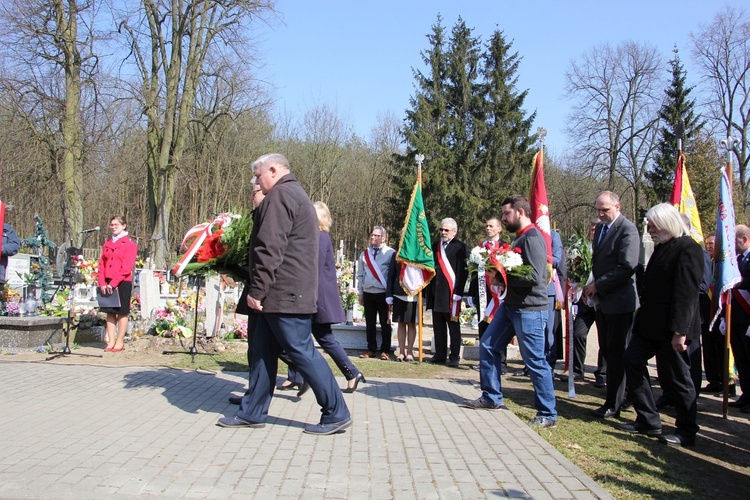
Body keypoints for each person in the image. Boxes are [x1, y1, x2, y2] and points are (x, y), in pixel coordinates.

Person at [217, 153, 351, 435]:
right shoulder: (295, 194)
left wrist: (257, 289)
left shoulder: (280, 196)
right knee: (263, 352)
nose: (256, 181)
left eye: (258, 175)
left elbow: (270, 248)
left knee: (302, 353)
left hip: (284, 294)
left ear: (274, 170)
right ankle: (252, 411)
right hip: (283, 294)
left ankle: (336, 412)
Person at [462, 195, 557, 429]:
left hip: (530, 310)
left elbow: (537, 277)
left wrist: (503, 276)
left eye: (506, 214)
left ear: (521, 213)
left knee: (535, 360)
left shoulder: (532, 239)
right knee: (487, 345)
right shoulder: (519, 239)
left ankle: (547, 413)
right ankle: (491, 397)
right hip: (512, 306)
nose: (504, 219)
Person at [618, 203, 702, 446]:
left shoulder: (688, 248)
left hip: (673, 328)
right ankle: (648, 419)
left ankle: (686, 430)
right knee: (631, 360)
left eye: (653, 226)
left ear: (666, 223)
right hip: (650, 325)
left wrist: (680, 331)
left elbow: (686, 294)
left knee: (678, 379)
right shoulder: (662, 247)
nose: (650, 230)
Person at [286, 202, 366, 393]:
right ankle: (297, 376)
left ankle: (351, 372)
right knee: (301, 336)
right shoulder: (314, 237)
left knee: (323, 338)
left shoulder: (320, 238)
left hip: (317, 298)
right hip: (314, 296)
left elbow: (314, 268)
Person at [583, 191, 639, 419]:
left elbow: (627, 266)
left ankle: (615, 403)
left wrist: (599, 286)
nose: (601, 214)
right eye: (598, 209)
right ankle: (618, 398)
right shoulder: (602, 230)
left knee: (616, 354)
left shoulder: (628, 229)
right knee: (607, 351)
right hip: (604, 302)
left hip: (619, 302)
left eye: (605, 210)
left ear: (618, 206)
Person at [427, 218, 469, 367]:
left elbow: (463, 272)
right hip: (436, 293)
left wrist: (459, 291)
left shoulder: (461, 247)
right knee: (438, 327)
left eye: (446, 230)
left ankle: (454, 356)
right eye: (442, 230)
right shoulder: (435, 246)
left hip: (452, 294)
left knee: (453, 327)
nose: (443, 232)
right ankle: (439, 354)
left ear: (454, 231)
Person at [468, 217, 506, 372]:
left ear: (499, 229)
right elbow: (474, 271)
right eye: (486, 225)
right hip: (483, 292)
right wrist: (471, 292)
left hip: (498, 293)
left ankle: (501, 361)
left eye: (491, 226)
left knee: (501, 326)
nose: (488, 228)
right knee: (483, 325)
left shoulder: (505, 247)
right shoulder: (480, 248)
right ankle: (484, 359)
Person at [98, 215, 138, 352]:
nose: (113, 227)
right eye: (112, 225)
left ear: (124, 226)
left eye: (116, 225)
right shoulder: (107, 244)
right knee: (110, 312)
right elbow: (101, 265)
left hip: (122, 282)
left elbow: (127, 267)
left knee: (122, 312)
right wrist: (102, 283)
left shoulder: (130, 245)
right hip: (107, 282)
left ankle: (120, 340)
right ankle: (111, 340)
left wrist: (113, 284)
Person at [357, 226, 395, 360]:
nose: (373, 237)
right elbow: (360, 275)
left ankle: (385, 350)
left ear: (383, 238)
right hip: (368, 292)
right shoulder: (364, 254)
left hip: (383, 293)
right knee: (370, 322)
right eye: (372, 235)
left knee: (385, 323)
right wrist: (360, 292)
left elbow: (393, 275)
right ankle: (371, 349)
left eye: (376, 235)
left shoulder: (391, 253)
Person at [728, 225, 750, 413]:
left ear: (744, 239)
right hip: (735, 317)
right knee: (741, 359)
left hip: (747, 317)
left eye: (733, 241)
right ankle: (746, 393)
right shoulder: (735, 260)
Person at [386, 249, 418, 362]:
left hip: (414, 293)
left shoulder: (419, 253)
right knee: (401, 323)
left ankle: (409, 352)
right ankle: (401, 352)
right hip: (399, 293)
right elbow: (391, 275)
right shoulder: (397, 254)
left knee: (411, 323)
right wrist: (389, 294)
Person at [546, 229, 567, 370]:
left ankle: (549, 365)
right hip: (529, 291)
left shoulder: (553, 235)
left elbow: (557, 260)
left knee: (548, 331)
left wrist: (539, 255)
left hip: (548, 289)